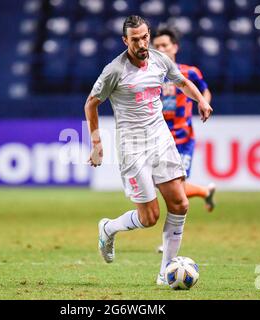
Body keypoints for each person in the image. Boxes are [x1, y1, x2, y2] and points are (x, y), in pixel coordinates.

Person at [84, 16, 213, 285]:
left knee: (179, 203)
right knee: (149, 217)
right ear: (125, 41)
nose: (142, 43)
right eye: (135, 39)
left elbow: (182, 82)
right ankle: (108, 228)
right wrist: (97, 144)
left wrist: (200, 100)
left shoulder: (159, 59)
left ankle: (165, 273)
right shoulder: (114, 70)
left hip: (161, 139)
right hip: (133, 147)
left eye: (145, 37)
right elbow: (91, 104)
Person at [153, 28, 216, 214]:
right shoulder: (148, 74)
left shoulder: (189, 72)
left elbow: (205, 90)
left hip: (183, 138)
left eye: (164, 45)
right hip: (159, 140)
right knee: (164, 187)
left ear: (175, 47)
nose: (160, 49)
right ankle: (205, 191)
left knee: (176, 190)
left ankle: (171, 240)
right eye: (156, 46)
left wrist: (203, 102)